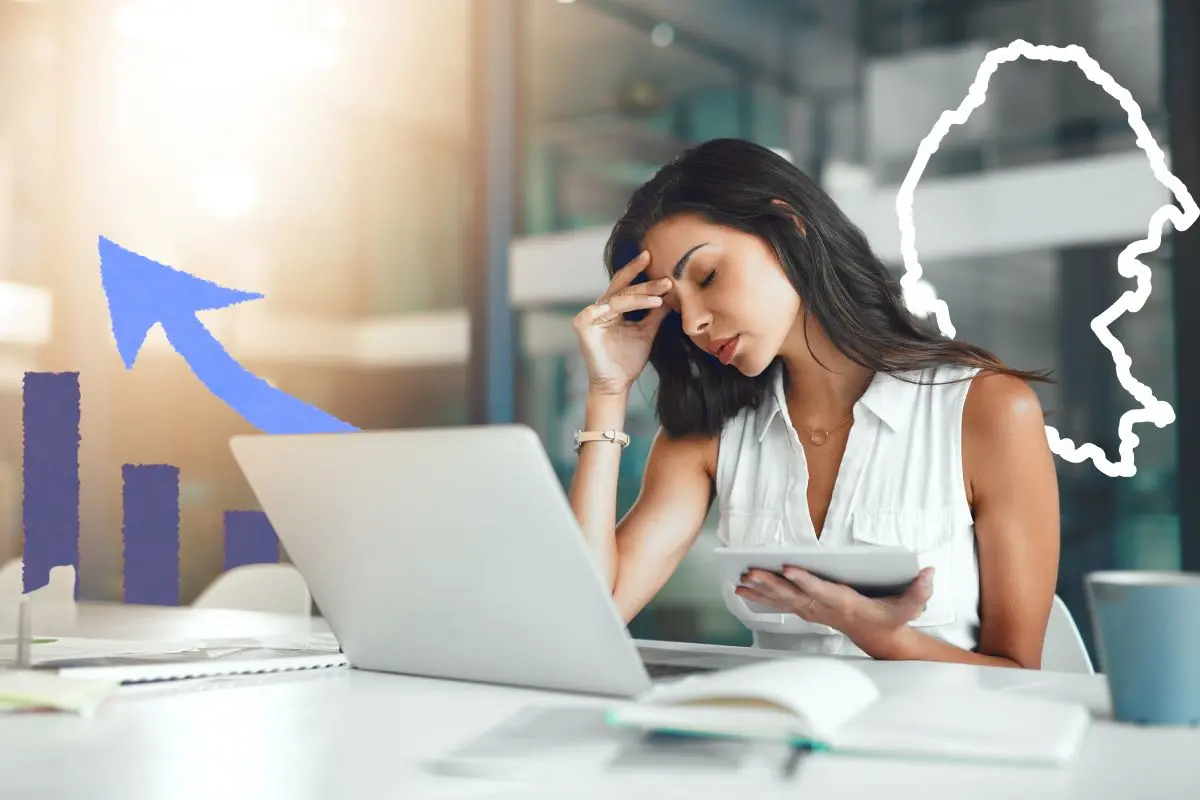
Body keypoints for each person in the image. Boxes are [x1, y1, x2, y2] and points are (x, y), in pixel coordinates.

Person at [567, 138, 1060, 668]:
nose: (693, 323)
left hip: (938, 722)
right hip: (775, 721)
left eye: (707, 276)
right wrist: (608, 391)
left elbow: (1020, 676)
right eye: (673, 307)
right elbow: (591, 616)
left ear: (789, 228)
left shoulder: (987, 410)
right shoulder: (710, 435)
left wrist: (881, 636)